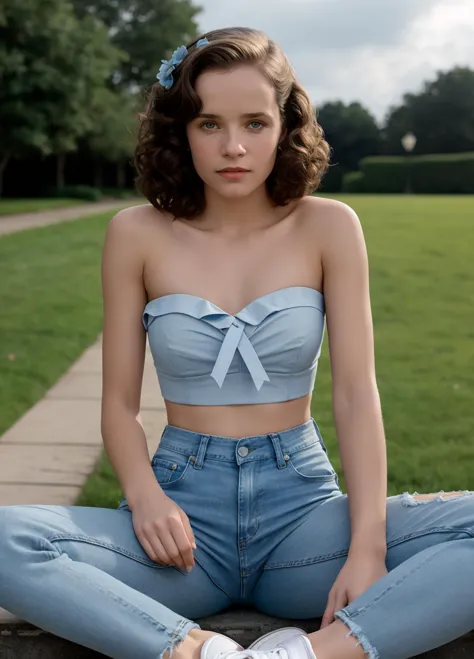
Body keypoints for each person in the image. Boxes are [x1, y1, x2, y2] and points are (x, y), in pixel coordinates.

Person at [0, 25, 473, 659]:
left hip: (303, 518)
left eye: (254, 123)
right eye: (208, 124)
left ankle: (304, 656)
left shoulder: (328, 226)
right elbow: (117, 405)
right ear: (181, 130)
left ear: (284, 126)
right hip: (179, 528)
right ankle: (200, 654)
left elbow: (358, 395)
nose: (233, 147)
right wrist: (145, 498)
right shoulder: (136, 233)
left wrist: (366, 548)